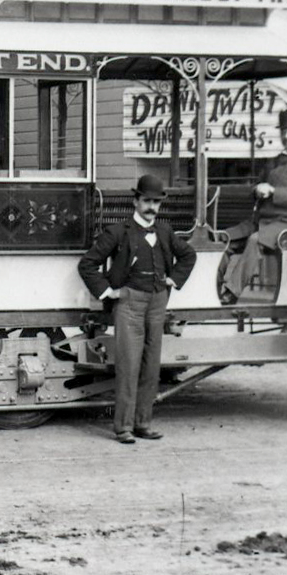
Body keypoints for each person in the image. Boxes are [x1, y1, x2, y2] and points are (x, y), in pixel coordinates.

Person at [78, 173, 197, 444]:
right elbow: (87, 264)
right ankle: (123, 428)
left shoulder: (165, 231)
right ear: (136, 201)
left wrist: (173, 280)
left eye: (156, 202)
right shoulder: (118, 231)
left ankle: (143, 423)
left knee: (151, 366)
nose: (151, 206)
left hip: (157, 303)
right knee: (129, 366)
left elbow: (189, 255)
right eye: (146, 200)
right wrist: (109, 292)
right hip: (129, 303)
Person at [219, 108, 287, 302]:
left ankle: (231, 293)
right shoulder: (275, 161)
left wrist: (273, 191)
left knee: (255, 240)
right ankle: (212, 290)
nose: (286, 136)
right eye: (283, 131)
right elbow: (259, 184)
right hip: (263, 221)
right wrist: (257, 189)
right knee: (222, 240)